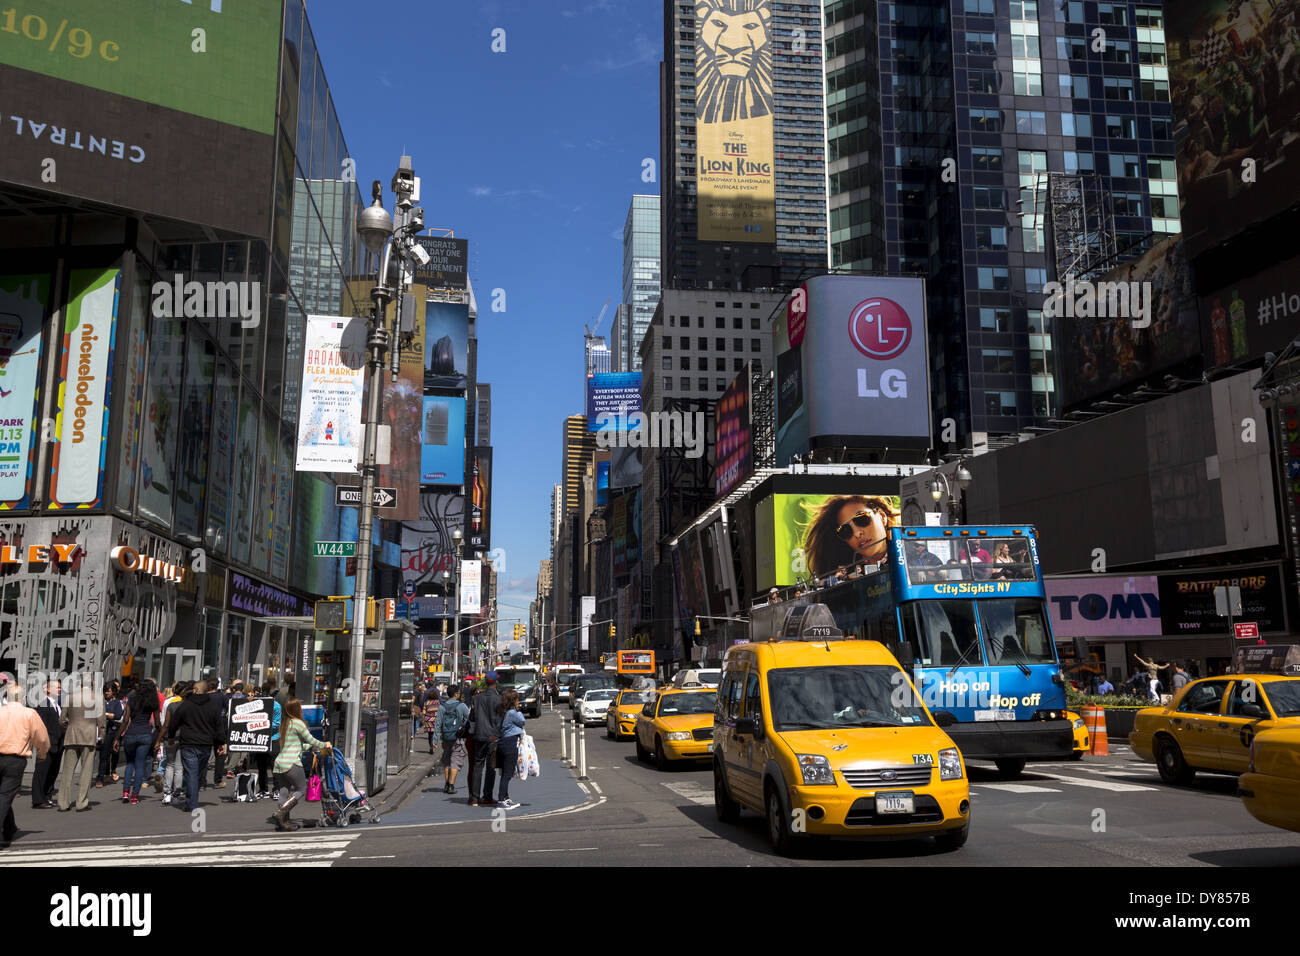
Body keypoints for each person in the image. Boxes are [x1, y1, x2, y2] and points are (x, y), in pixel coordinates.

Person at [0, 680, 50, 849]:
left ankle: (9, 828)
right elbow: (41, 738)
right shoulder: (29, 714)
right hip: (15, 759)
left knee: (3, 795)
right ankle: (3, 831)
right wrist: (42, 754)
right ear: (22, 698)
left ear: (6, 697)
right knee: (6, 795)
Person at [802, 495, 900, 581]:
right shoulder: (844, 580)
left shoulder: (911, 555)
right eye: (845, 531)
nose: (857, 533)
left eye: (862, 519)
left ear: (882, 517)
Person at [270, 699, 332, 831]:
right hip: (292, 762)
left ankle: (283, 822)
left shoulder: (284, 724)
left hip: (279, 762)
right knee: (301, 789)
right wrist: (324, 745)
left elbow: (295, 744)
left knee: (283, 791)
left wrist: (309, 747)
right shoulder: (298, 723)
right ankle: (281, 813)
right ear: (296, 709)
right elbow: (310, 739)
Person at [166, 681, 227, 813]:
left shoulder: (186, 705)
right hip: (205, 744)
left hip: (188, 743)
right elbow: (218, 728)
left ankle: (192, 802)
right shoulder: (213, 707)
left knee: (192, 773)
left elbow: (174, 722)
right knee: (197, 773)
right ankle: (192, 800)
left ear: (195, 690)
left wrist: (170, 736)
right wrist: (220, 743)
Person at [56, 681, 104, 813]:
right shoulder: (97, 697)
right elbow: (101, 720)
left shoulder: (70, 696)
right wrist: (101, 736)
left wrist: (69, 728)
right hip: (89, 736)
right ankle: (81, 803)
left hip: (72, 735)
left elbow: (61, 720)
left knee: (67, 771)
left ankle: (63, 803)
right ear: (93, 683)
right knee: (86, 771)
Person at [114, 678, 162, 804]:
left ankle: (125, 793)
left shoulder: (132, 698)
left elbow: (125, 721)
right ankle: (135, 796)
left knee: (130, 763)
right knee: (140, 764)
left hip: (131, 733)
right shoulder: (153, 701)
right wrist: (160, 737)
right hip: (145, 734)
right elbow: (157, 722)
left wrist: (117, 737)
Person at [467, 671, 502, 807]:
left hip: (479, 735)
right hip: (493, 736)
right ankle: (487, 796)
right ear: (496, 682)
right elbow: (500, 719)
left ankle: (474, 797)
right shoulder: (499, 699)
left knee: (477, 766)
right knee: (490, 767)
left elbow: (472, 718)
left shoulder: (477, 698)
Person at [31, 680, 65, 809]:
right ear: (48, 689)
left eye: (60, 687)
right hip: (47, 743)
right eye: (57, 687)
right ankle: (38, 799)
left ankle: (47, 796)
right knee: (42, 771)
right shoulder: (43, 705)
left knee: (53, 771)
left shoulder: (57, 704)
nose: (60, 690)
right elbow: (41, 726)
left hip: (58, 743)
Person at [157, 681, 189, 805]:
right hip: (183, 737)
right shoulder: (187, 705)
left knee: (169, 765)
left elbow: (165, 722)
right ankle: (176, 793)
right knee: (179, 768)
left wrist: (159, 738)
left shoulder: (169, 703)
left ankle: (167, 793)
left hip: (170, 737)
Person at [495, 690, 526, 811]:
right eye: (517, 699)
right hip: (510, 743)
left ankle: (506, 797)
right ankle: (502, 800)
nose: (519, 702)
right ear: (513, 701)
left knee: (505, 772)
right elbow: (522, 721)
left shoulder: (502, 712)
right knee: (507, 774)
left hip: (503, 742)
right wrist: (518, 710)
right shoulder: (513, 712)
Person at [438, 685, 470, 794]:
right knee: (456, 759)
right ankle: (451, 785)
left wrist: (434, 740)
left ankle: (446, 784)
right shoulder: (461, 706)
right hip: (458, 737)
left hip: (446, 736)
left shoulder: (442, 706)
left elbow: (438, 723)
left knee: (447, 759)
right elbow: (470, 718)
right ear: (456, 694)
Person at [96, 683, 124, 788]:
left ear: (114, 692)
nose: (107, 693)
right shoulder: (101, 702)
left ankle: (106, 774)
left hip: (112, 732)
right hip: (101, 731)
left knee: (110, 753)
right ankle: (101, 776)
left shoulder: (117, 703)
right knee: (103, 756)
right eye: (105, 690)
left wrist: (105, 714)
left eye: (109, 690)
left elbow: (117, 715)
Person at [422, 687, 441, 755]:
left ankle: (431, 746)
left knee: (430, 735)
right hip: (435, 720)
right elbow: (440, 711)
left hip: (429, 720)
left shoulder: (426, 702)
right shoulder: (438, 702)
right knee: (435, 733)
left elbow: (424, 712)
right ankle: (434, 743)